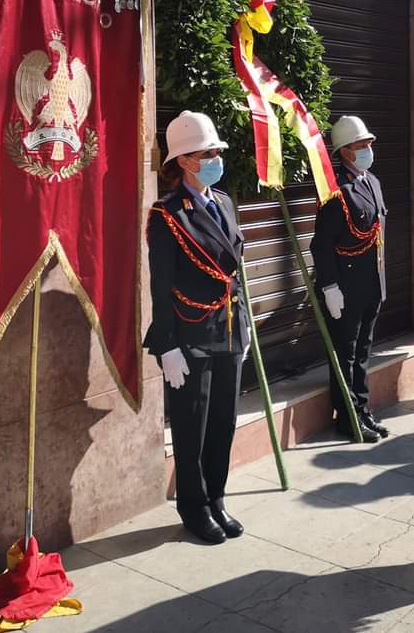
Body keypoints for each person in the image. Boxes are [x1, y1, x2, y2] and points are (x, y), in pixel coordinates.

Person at [144, 111, 252, 545]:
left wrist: (244, 328)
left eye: (216, 152)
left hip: (227, 329)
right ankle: (194, 506)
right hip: (190, 335)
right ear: (184, 160)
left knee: (223, 423)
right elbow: (160, 284)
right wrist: (166, 345)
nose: (215, 159)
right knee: (193, 427)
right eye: (207, 154)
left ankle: (217, 498)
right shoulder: (167, 214)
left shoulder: (224, 201)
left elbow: (234, 273)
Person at [311, 115, 389, 443]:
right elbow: (322, 244)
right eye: (361, 145)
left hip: (371, 284)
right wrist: (329, 286)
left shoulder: (371, 181)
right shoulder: (335, 191)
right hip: (344, 287)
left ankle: (363, 409)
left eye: (369, 144)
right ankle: (347, 418)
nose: (368, 149)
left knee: (362, 352)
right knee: (344, 354)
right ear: (344, 151)